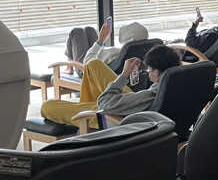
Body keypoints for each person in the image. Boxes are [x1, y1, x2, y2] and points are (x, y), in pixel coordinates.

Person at [40, 45, 181, 127]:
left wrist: (124, 75)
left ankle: (85, 117)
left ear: (157, 72)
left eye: (149, 69)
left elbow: (103, 103)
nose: (147, 72)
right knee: (94, 64)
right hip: (130, 104)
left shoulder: (153, 94)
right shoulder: (178, 81)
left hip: (115, 116)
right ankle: (85, 109)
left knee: (48, 106)